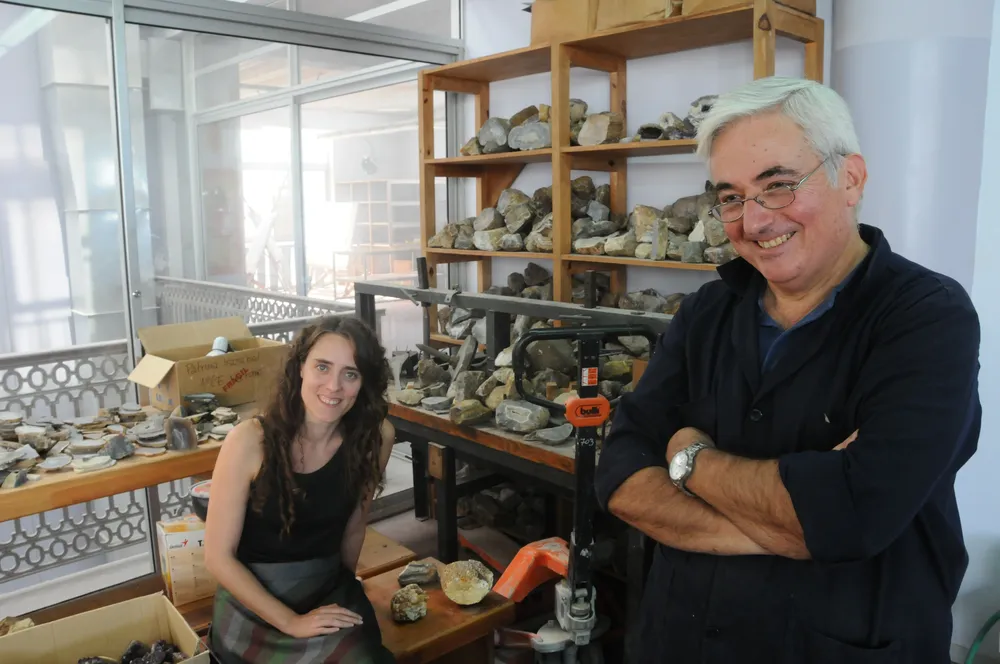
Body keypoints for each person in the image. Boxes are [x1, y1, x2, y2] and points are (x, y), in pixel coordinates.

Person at [595, 76, 981, 663]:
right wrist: (795, 528)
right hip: (682, 637)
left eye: (777, 186)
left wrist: (686, 459)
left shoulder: (929, 318)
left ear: (850, 178)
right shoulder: (705, 312)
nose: (752, 221)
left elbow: (856, 512)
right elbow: (620, 475)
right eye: (730, 196)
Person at [204, 315, 396, 664]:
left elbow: (354, 526)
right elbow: (217, 557)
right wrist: (291, 622)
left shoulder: (375, 437)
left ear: (364, 383)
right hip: (253, 600)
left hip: (325, 585)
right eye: (322, 367)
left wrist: (345, 592)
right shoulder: (249, 441)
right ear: (300, 368)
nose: (334, 386)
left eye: (350, 374)